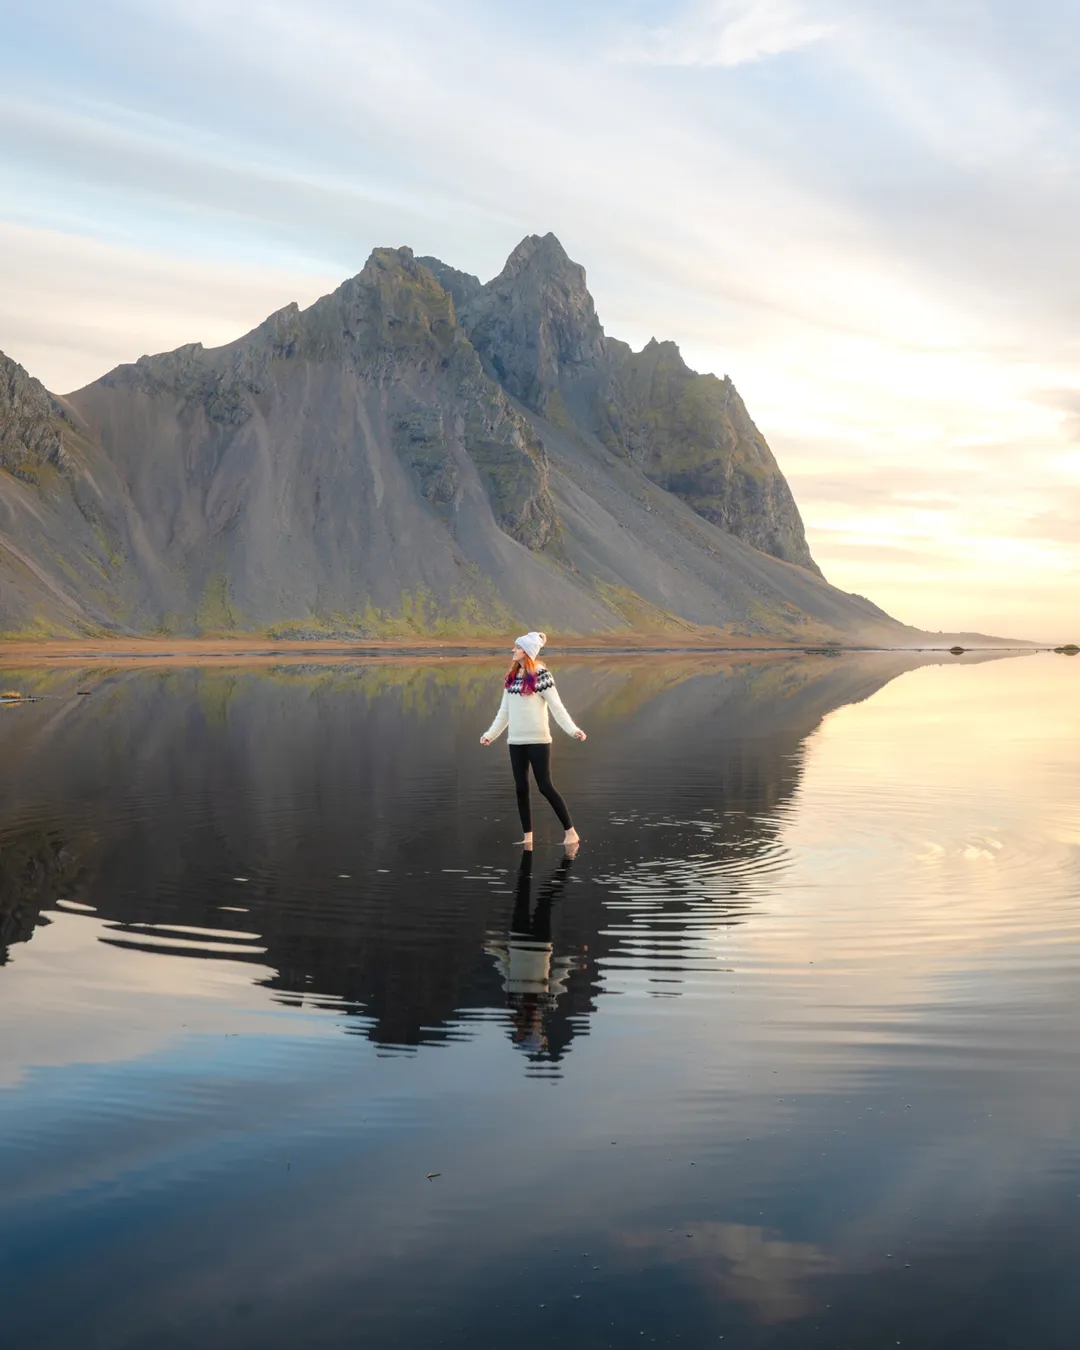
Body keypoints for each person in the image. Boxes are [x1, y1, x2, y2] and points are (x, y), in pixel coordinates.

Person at [480, 631, 585, 849]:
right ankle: (528, 838)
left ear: (527, 651)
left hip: (538, 741)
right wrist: (490, 735)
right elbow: (504, 712)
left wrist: (572, 730)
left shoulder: (542, 676)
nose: (513, 650)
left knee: (545, 786)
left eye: (517, 648)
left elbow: (557, 708)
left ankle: (571, 833)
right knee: (521, 788)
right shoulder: (511, 679)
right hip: (516, 743)